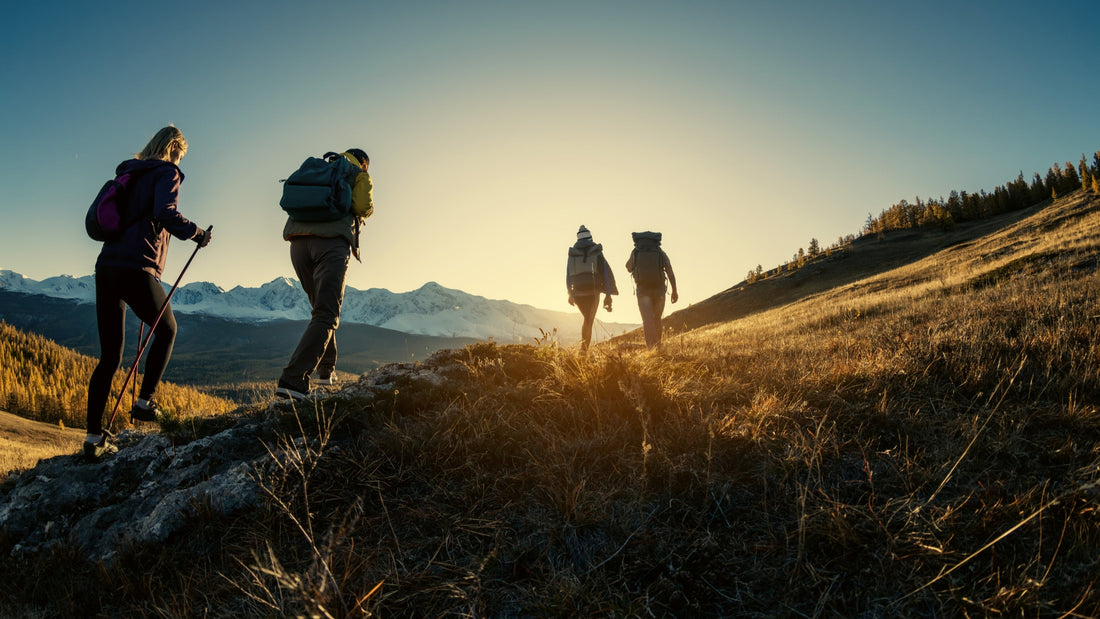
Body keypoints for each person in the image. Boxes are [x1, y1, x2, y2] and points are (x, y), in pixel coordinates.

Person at [84, 126, 213, 460]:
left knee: (109, 357)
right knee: (167, 329)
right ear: (173, 148)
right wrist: (197, 233)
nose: (180, 161)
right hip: (137, 265)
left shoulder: (130, 172)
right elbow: (165, 212)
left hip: (107, 266)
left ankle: (93, 438)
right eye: (181, 154)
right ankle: (145, 402)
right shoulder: (167, 172)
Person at [275, 148, 373, 400]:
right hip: (330, 244)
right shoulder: (359, 174)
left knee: (320, 311)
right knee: (327, 314)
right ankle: (293, 381)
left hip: (298, 245)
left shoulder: (321, 168)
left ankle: (326, 371)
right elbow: (363, 206)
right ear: (364, 163)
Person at [566, 225, 617, 350]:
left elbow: (568, 275)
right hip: (593, 292)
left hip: (578, 293)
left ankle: (583, 350)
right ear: (590, 238)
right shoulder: (596, 251)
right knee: (589, 320)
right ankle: (583, 351)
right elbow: (605, 273)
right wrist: (608, 294)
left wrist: (570, 294)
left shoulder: (573, 254)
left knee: (587, 319)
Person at [625, 231, 678, 349]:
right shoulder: (660, 252)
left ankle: (651, 348)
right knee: (657, 318)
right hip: (659, 290)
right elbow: (670, 271)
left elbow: (628, 267)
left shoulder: (636, 252)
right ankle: (658, 346)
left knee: (647, 320)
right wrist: (674, 291)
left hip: (643, 290)